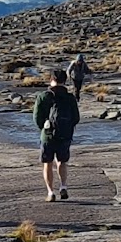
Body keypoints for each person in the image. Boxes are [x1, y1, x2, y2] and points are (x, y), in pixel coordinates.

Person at [33, 69, 80, 202]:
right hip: (64, 134)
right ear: (64, 81)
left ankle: (50, 192)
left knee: (47, 163)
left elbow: (37, 118)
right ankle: (63, 186)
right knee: (62, 161)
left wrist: (44, 128)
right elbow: (76, 117)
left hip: (47, 135)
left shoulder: (43, 96)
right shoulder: (70, 97)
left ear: (51, 79)